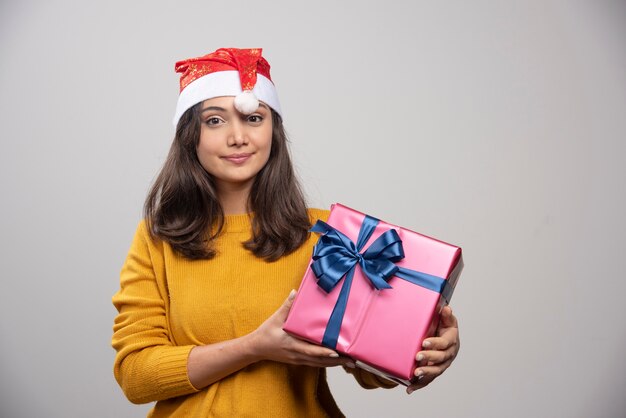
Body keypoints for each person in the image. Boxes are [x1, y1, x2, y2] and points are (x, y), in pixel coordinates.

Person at [111, 47, 460, 417]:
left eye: (254, 119)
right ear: (189, 136)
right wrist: (254, 347)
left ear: (273, 131)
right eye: (215, 121)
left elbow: (369, 365)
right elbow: (136, 377)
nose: (238, 137)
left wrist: (426, 347)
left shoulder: (328, 234)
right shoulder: (157, 239)